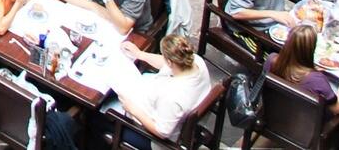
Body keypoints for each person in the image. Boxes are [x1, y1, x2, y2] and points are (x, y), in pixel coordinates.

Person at [45, 31, 214, 150]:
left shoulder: (174, 98)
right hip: (156, 103)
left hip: (154, 141)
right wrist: (140, 54)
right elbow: (164, 62)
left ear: (172, 62)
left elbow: (162, 132)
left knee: (94, 116)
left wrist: (132, 109)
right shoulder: (195, 62)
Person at [268, 24, 339, 110]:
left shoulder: (271, 59)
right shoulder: (317, 80)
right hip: (305, 120)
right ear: (311, 49)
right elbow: (336, 109)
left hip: (275, 111)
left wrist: (313, 70)